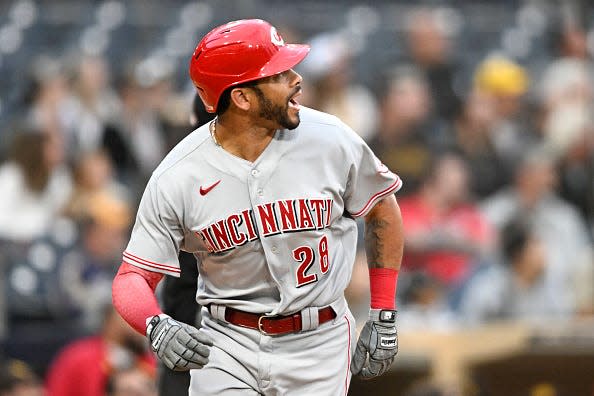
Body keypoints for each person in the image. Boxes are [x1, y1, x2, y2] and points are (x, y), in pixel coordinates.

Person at [112, 19, 404, 395]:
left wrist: (383, 313)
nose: (296, 79)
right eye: (279, 74)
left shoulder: (330, 139)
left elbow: (382, 207)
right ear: (242, 98)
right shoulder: (179, 174)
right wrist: (156, 323)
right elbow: (131, 277)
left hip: (320, 342)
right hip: (227, 344)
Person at [45, 305, 155, 396]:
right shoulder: (78, 357)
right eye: (131, 314)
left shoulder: (150, 361)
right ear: (109, 320)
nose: (141, 321)